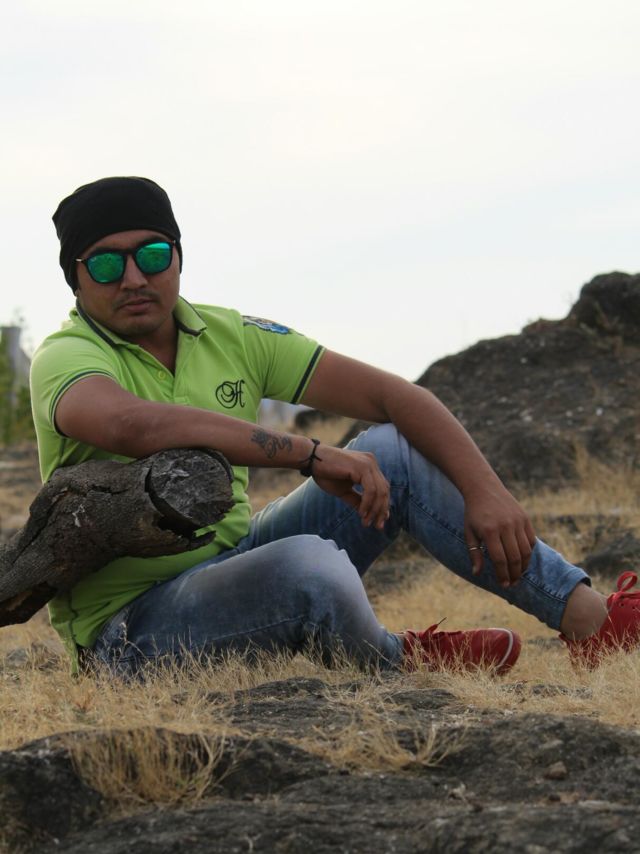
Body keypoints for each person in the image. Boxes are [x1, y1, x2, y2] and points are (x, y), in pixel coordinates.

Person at [30, 176, 640, 677]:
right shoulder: (68, 355)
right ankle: (395, 658)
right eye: (106, 264)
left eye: (153, 255)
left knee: (393, 451)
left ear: (179, 257)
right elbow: (131, 425)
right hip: (130, 632)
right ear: (76, 278)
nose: (134, 278)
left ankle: (592, 621)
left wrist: (487, 492)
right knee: (306, 565)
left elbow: (395, 396)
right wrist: (310, 453)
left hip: (235, 560)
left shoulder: (230, 335)